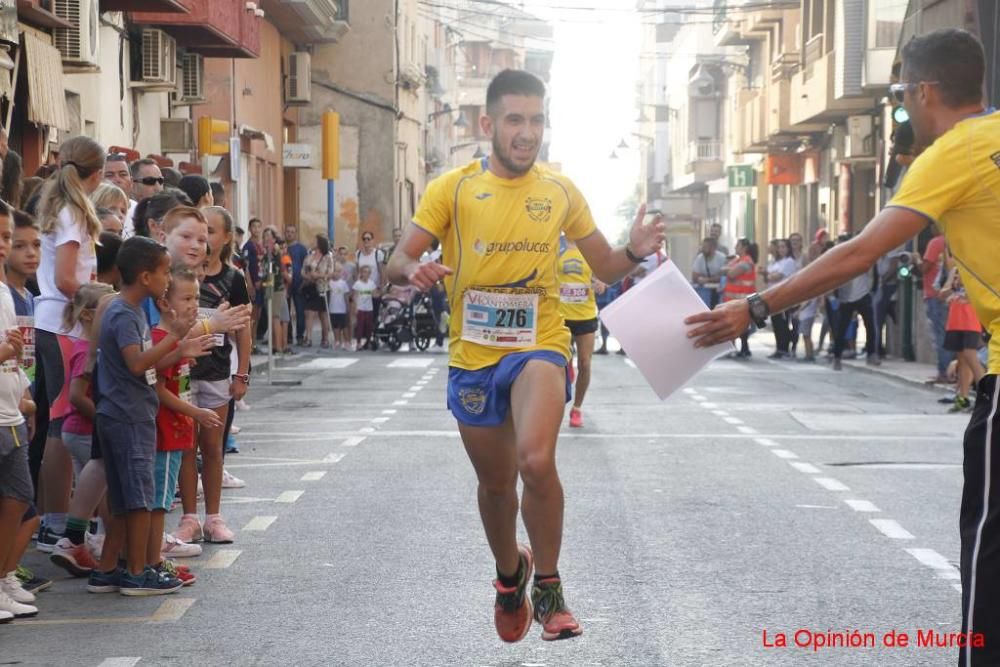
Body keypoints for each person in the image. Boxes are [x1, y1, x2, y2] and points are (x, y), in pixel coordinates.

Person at [686, 29, 1000, 667]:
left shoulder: (953, 154)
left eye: (904, 99)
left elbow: (861, 250)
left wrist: (755, 307)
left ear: (923, 90)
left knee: (990, 547)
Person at [386, 69, 664, 643]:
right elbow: (397, 258)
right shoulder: (454, 189)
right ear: (488, 124)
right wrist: (413, 269)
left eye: (537, 120)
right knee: (496, 485)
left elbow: (606, 267)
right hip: (474, 352)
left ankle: (551, 590)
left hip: (539, 339)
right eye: (515, 119)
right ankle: (511, 574)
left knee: (535, 462)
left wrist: (635, 250)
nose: (527, 132)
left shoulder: (559, 191)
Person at [92, 236, 191, 596]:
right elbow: (136, 364)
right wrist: (175, 335)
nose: (168, 280)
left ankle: (106, 569)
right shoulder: (122, 312)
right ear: (146, 276)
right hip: (127, 415)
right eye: (165, 273)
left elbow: (146, 363)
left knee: (123, 499)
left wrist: (181, 347)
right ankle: (137, 571)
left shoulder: (132, 311)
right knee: (137, 498)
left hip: (127, 412)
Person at [31, 137, 104, 554]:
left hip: (53, 322)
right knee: (61, 423)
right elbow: (65, 279)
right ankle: (57, 522)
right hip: (64, 322)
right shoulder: (74, 211)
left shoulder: (58, 205)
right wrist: (100, 297)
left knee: (52, 421)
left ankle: (50, 518)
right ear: (95, 175)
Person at [174, 207, 251, 544]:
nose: (202, 242)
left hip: (218, 371)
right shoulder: (178, 274)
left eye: (209, 235)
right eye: (194, 235)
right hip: (183, 370)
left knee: (213, 446)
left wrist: (242, 373)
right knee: (186, 447)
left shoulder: (233, 279)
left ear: (223, 239)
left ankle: (214, 518)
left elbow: (243, 329)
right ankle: (189, 517)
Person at [150, 264, 221, 585]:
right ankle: (153, 558)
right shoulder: (160, 339)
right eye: (187, 298)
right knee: (158, 500)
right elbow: (159, 389)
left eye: (196, 298)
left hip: (177, 430)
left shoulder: (173, 339)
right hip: (164, 432)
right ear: (165, 303)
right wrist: (196, 413)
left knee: (162, 498)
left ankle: (153, 555)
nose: (194, 305)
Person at [556, 237, 600, 428]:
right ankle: (567, 367)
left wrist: (600, 282)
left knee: (585, 362)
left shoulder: (590, 248)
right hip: (560, 315)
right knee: (558, 364)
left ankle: (577, 409)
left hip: (585, 315)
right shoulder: (556, 245)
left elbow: (603, 273)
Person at [919, 225, 954, 383]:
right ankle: (950, 371)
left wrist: (915, 260)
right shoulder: (953, 241)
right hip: (950, 296)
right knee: (949, 334)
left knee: (940, 334)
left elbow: (924, 268)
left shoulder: (935, 243)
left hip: (936, 294)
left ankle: (944, 372)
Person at [721, 239, 757, 359]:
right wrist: (728, 270)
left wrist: (728, 270)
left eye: (738, 245)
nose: (735, 247)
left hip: (744, 298)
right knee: (735, 324)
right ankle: (739, 348)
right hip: (735, 299)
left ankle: (741, 348)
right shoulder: (737, 260)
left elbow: (731, 274)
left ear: (744, 247)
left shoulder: (746, 261)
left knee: (741, 325)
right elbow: (723, 269)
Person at [764, 239, 797, 359]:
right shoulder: (775, 262)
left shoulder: (789, 262)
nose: (781, 249)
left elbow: (777, 277)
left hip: (783, 296)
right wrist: (769, 275)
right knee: (776, 323)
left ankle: (784, 348)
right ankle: (779, 347)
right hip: (773, 296)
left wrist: (770, 275)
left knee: (783, 323)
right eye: (779, 247)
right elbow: (767, 277)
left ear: (788, 248)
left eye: (784, 247)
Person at [302, 235, 334, 348]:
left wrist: (318, 275)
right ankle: (308, 338)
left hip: (322, 287)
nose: (313, 242)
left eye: (315, 241)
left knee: (323, 314)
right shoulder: (309, 257)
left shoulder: (328, 257)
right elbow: (303, 271)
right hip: (310, 287)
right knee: (309, 312)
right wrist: (308, 276)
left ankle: (325, 338)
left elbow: (330, 273)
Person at [263, 227, 292, 355]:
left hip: (276, 288)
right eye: (265, 236)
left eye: (269, 236)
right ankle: (275, 345)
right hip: (269, 287)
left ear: (274, 239)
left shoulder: (275, 252)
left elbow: (281, 269)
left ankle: (279, 347)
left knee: (275, 317)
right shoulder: (266, 253)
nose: (266, 239)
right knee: (273, 317)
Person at [284, 225, 309, 344]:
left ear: (296, 233)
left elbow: (306, 266)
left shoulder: (302, 249)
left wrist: (304, 282)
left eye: (292, 232)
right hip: (285, 285)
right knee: (285, 311)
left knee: (300, 310)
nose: (289, 234)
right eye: (288, 232)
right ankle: (287, 336)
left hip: (299, 283)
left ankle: (299, 335)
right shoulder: (282, 248)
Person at [691, 237, 725, 309]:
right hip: (704, 293)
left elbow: (722, 277)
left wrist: (706, 279)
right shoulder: (700, 258)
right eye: (702, 246)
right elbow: (694, 276)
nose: (702, 249)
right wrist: (714, 277)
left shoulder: (721, 258)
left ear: (713, 248)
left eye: (705, 247)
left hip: (718, 293)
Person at [351, 265, 377, 351]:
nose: (366, 274)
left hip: (369, 308)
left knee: (369, 326)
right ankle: (358, 344)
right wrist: (355, 308)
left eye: (368, 272)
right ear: (361, 273)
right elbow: (354, 296)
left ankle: (368, 342)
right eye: (365, 272)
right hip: (360, 307)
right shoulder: (357, 284)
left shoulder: (371, 283)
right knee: (360, 326)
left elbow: (374, 294)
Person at [327, 266, 351, 350]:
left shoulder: (343, 283)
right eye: (334, 271)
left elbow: (346, 296)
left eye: (338, 272)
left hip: (342, 309)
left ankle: (347, 342)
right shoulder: (329, 283)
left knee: (344, 326)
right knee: (335, 326)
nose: (336, 273)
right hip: (332, 308)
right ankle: (337, 341)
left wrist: (347, 307)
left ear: (341, 273)